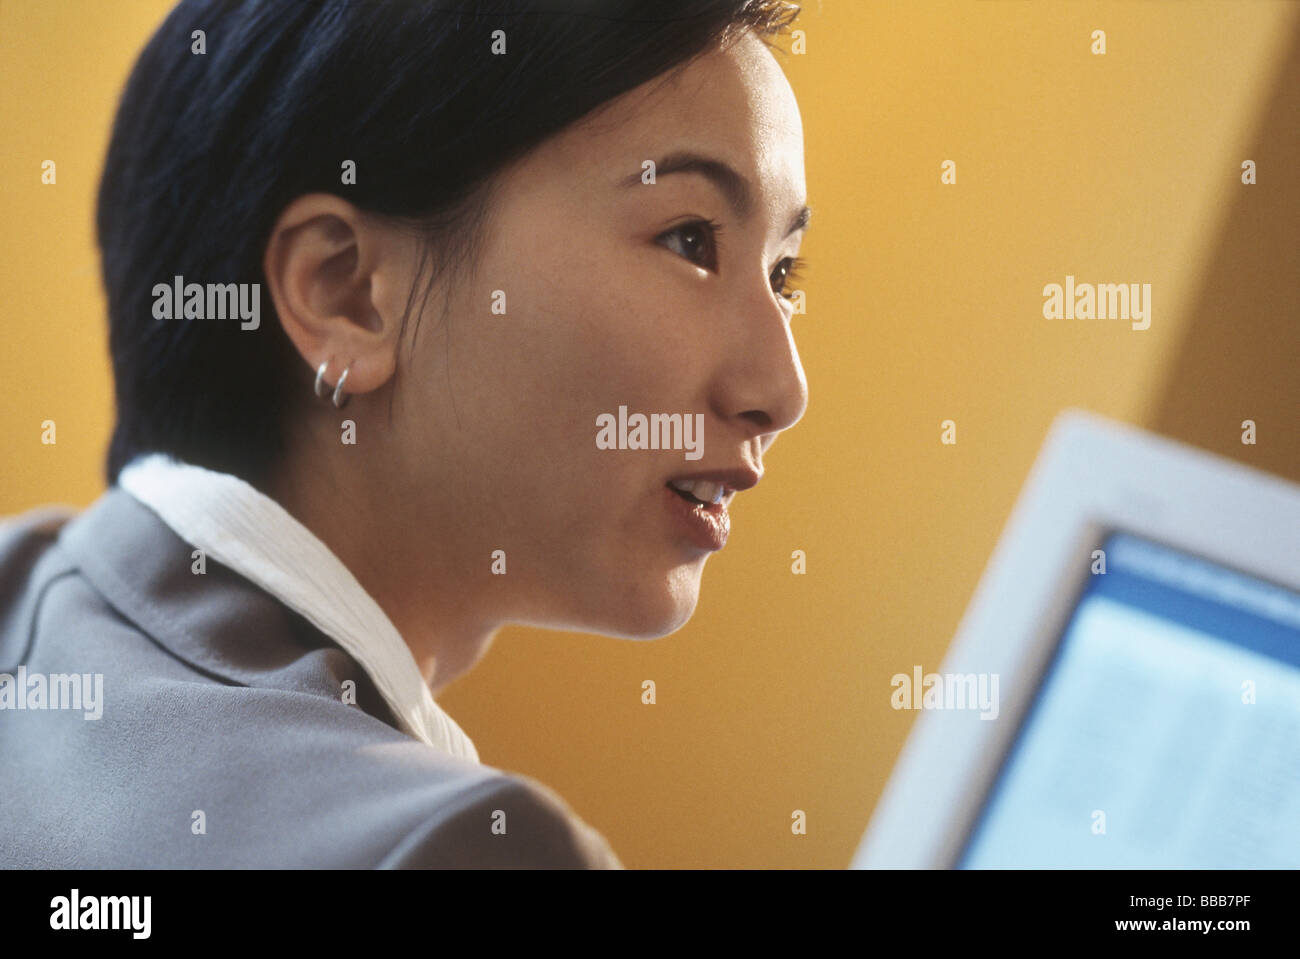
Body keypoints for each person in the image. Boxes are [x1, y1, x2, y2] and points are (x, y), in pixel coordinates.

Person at [0, 0, 810, 868]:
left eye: (784, 273)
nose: (783, 389)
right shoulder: (455, 849)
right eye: (691, 240)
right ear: (345, 292)